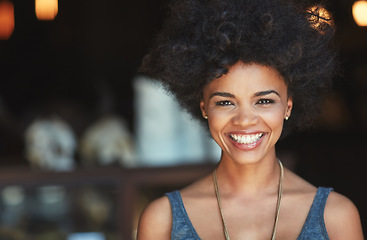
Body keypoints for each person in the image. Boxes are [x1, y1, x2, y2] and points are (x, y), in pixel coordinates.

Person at [137, 0, 364, 239]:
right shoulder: (163, 221)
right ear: (204, 108)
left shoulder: (335, 217)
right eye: (225, 102)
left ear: (288, 106)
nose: (245, 120)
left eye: (264, 101)